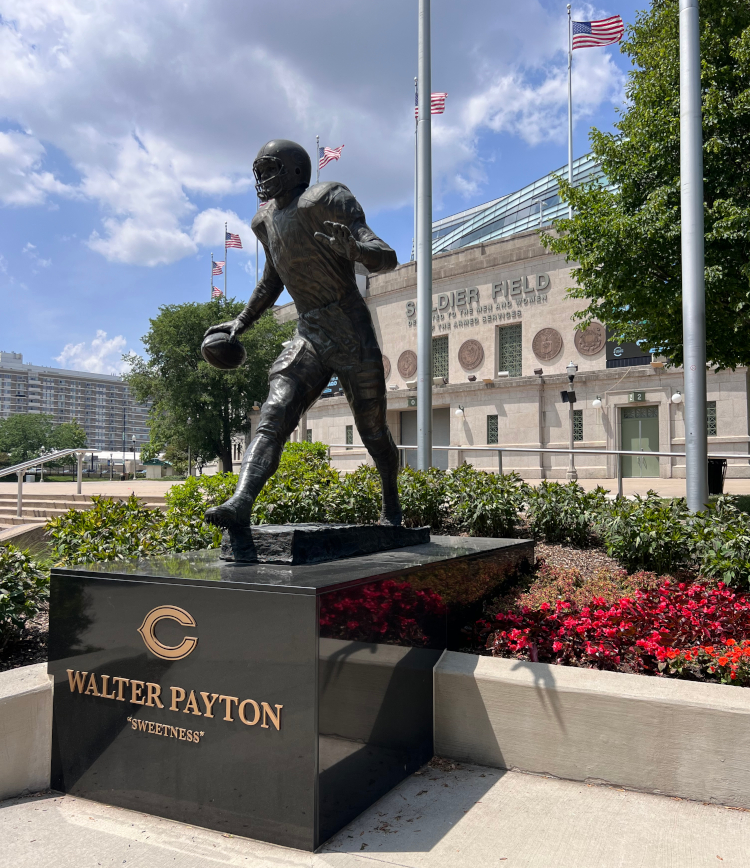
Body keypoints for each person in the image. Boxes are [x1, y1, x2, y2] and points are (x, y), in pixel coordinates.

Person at [203, 139, 402, 530]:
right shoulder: (265, 221)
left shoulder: (325, 200)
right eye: (259, 170)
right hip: (309, 331)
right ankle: (241, 502)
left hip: (349, 329)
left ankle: (392, 507)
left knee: (373, 431)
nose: (263, 178)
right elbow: (272, 279)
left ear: (295, 170)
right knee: (273, 414)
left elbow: (387, 256)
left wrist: (356, 251)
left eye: (270, 168)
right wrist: (241, 321)